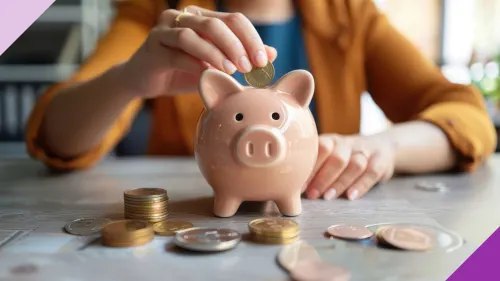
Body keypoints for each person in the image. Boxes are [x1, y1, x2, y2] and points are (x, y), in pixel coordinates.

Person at [25, 0, 497, 202]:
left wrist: (386, 148)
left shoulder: (350, 14)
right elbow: (54, 134)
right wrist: (127, 80)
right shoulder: (158, 12)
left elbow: (467, 116)